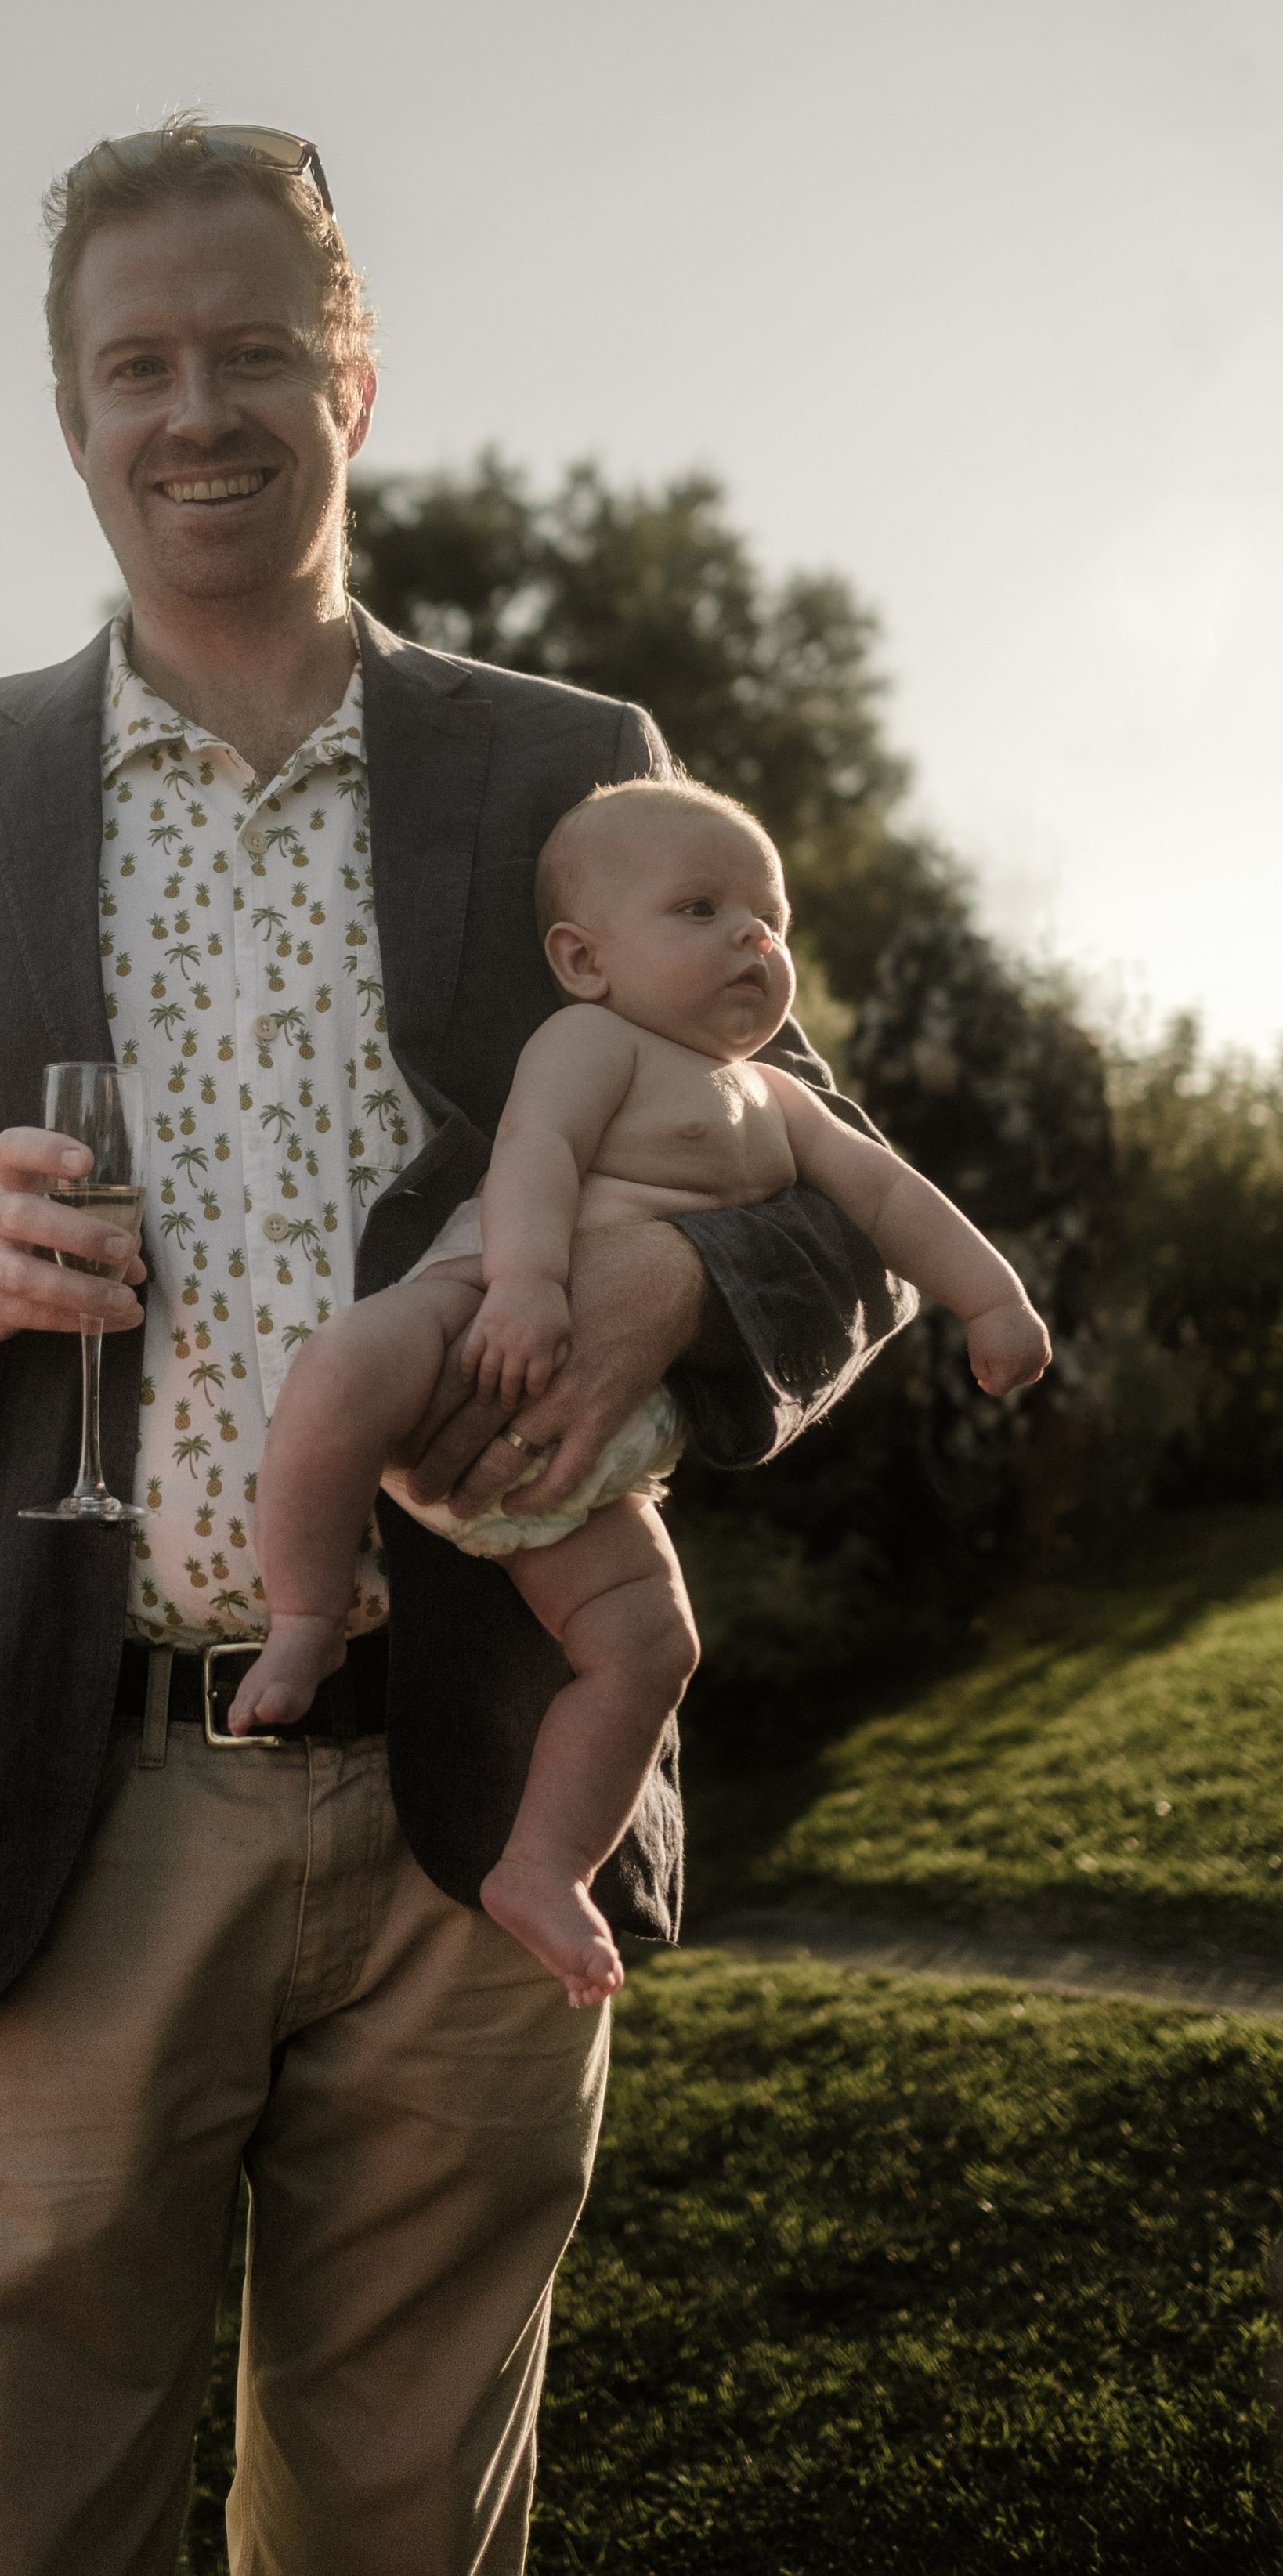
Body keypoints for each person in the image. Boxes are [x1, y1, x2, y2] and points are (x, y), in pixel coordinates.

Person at [0, 117, 917, 2576]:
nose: (197, 408)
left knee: (403, 2539)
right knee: (16, 2535)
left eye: (255, 349)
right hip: (73, 1791)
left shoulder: (573, 764)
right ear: (73, 414)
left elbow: (832, 1176)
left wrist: (676, 1293)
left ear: (355, 377)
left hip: (488, 1800)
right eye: (139, 362)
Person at [234, 773, 1052, 2005]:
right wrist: (521, 1287)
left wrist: (991, 1298)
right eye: (702, 909)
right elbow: (535, 1154)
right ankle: (300, 1615)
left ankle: (547, 1866)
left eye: (769, 920)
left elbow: (889, 1202)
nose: (750, 938)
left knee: (650, 1644)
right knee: (342, 1364)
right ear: (583, 958)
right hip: (485, 1316)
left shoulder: (781, 1099)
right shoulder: (594, 1042)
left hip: (589, 1467)